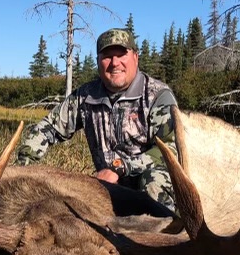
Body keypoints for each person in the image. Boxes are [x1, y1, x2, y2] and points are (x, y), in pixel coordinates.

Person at [16, 28, 178, 211]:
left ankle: (164, 233)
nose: (115, 63)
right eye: (107, 56)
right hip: (105, 187)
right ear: (98, 61)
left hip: (148, 186)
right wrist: (22, 168)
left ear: (135, 57)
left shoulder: (158, 96)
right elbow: (49, 128)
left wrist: (120, 167)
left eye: (121, 54)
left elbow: (170, 151)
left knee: (154, 182)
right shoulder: (85, 96)